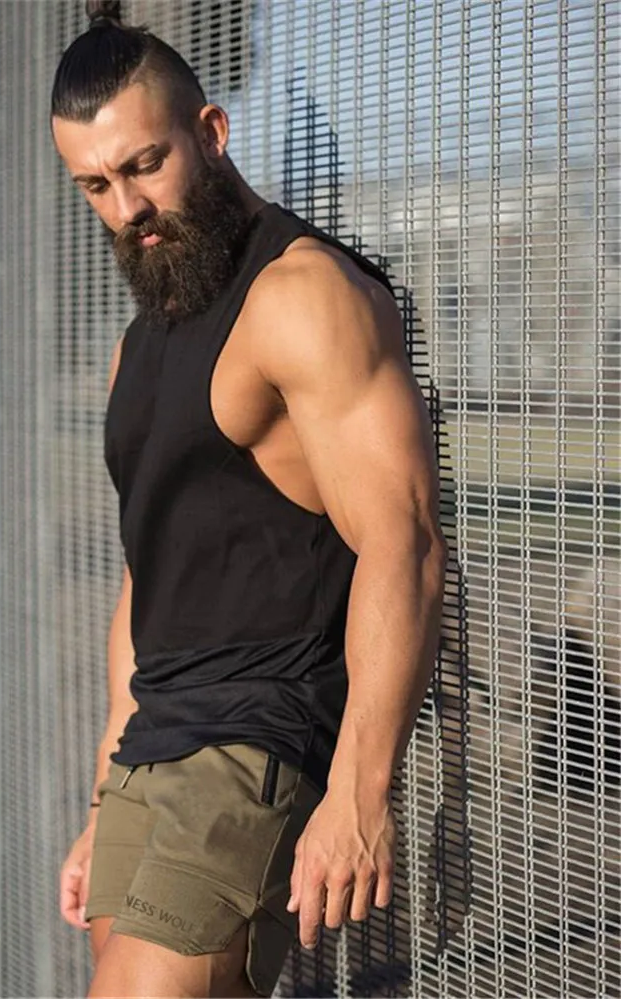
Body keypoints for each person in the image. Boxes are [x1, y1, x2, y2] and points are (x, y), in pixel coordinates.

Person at [52, 2, 448, 996]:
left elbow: (401, 543)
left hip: (257, 742)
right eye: (95, 185)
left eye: (144, 165)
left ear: (211, 132)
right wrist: (104, 797)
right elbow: (148, 580)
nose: (126, 206)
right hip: (151, 749)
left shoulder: (302, 296)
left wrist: (360, 792)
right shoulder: (137, 347)